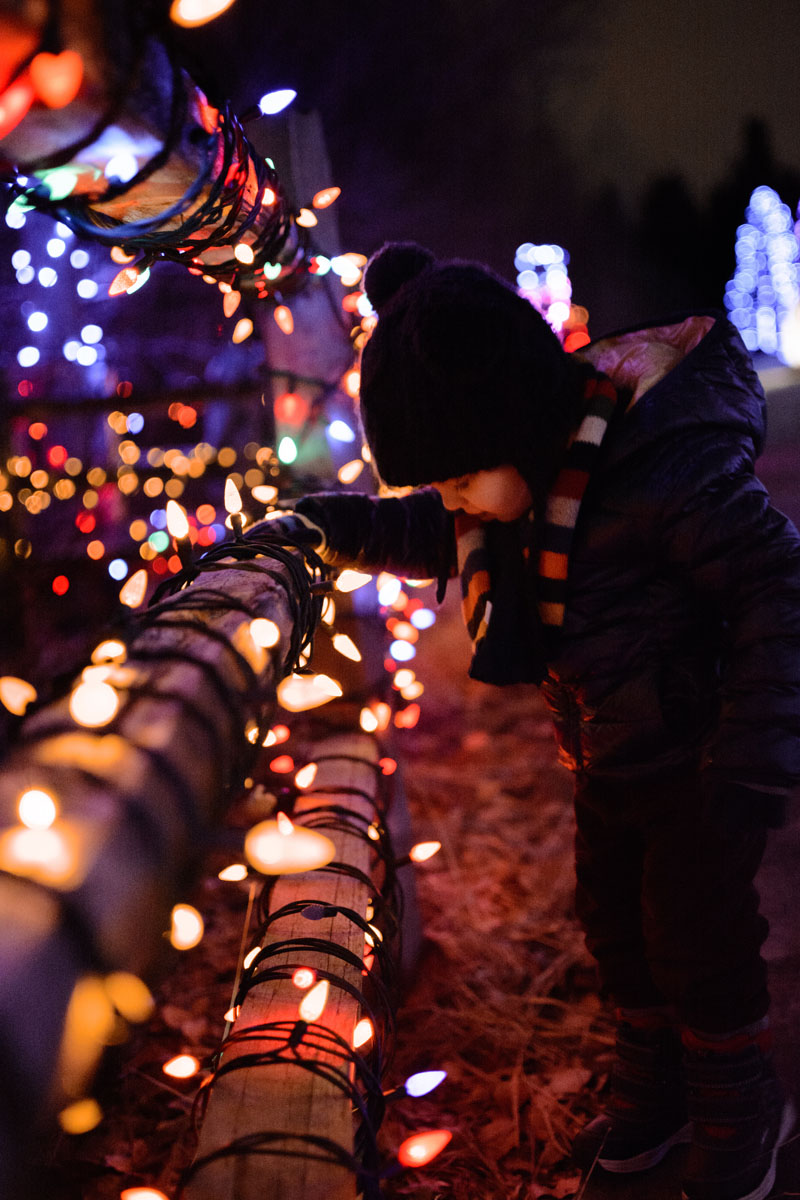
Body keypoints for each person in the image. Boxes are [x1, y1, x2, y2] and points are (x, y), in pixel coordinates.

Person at [270, 241, 800, 1200]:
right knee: (615, 926)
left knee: (698, 932)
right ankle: (658, 1088)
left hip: (702, 754)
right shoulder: (512, 495)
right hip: (609, 754)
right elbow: (428, 529)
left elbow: (774, 582)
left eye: (460, 479)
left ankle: (741, 1102)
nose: (453, 503)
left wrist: (759, 739)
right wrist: (329, 526)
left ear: (513, 422)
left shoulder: (660, 472)